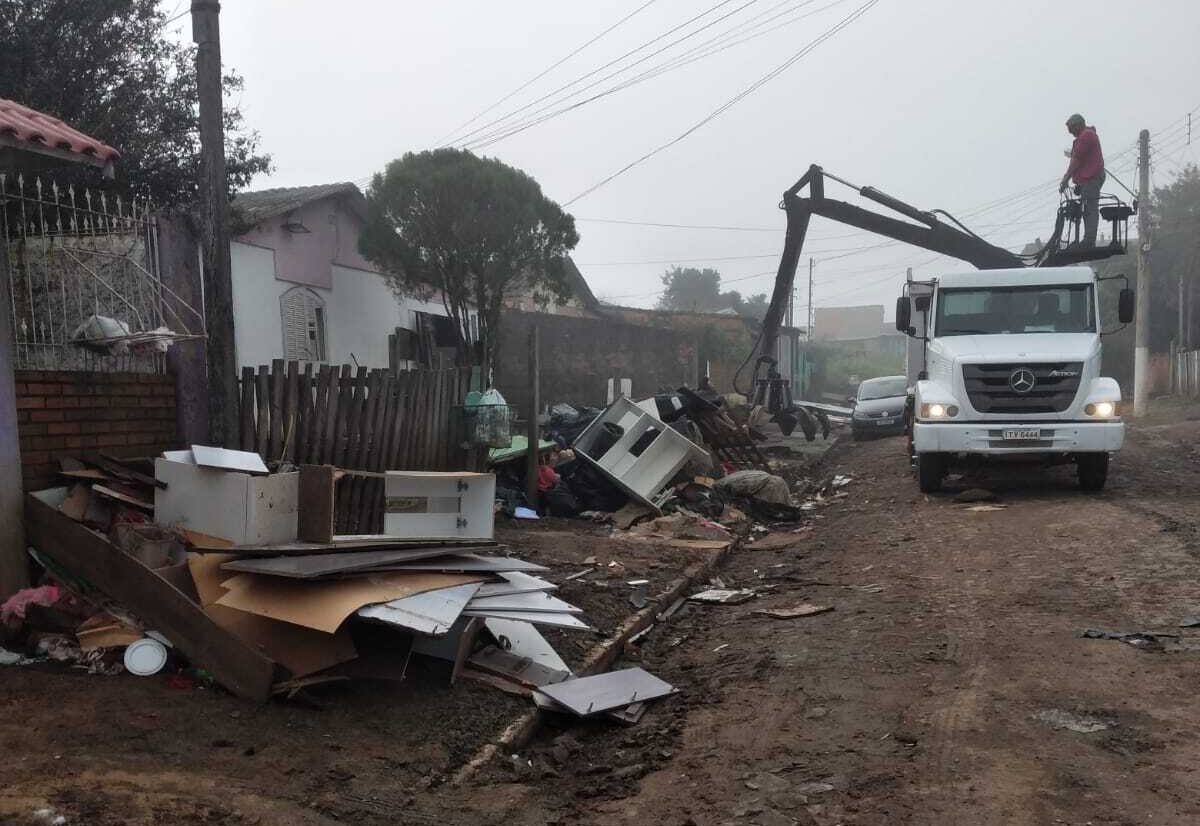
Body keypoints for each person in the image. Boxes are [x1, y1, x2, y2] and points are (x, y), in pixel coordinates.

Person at [1059, 113, 1106, 247]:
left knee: (1090, 208)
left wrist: (1065, 179)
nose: (1071, 133)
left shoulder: (1086, 136)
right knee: (1086, 208)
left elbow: (1076, 161)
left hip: (1092, 178)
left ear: (1078, 125)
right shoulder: (1084, 137)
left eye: (1072, 129)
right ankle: (1086, 239)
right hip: (1087, 179)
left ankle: (1089, 240)